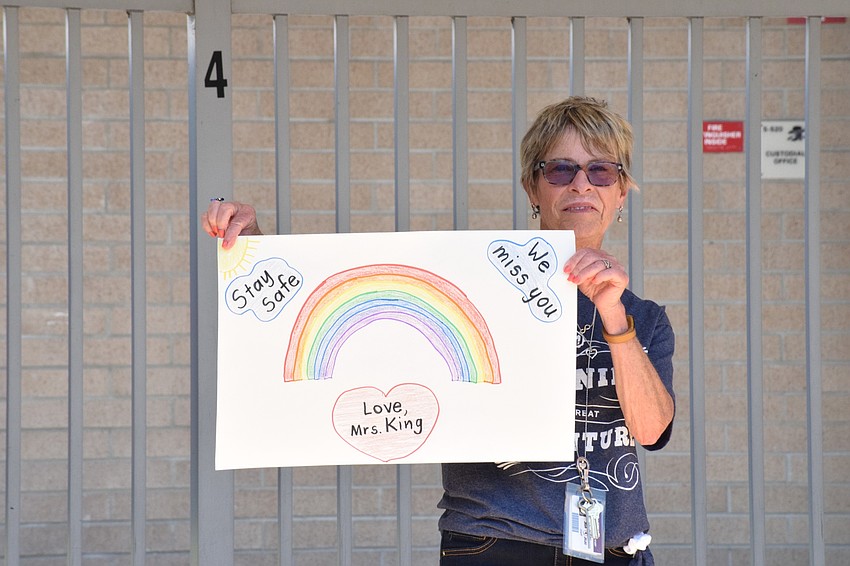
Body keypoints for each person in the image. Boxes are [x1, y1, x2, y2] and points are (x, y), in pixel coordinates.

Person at [202, 96, 675, 566]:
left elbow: (651, 430)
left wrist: (613, 316)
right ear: (533, 188)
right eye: (560, 170)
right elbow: (351, 321)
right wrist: (252, 251)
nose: (581, 184)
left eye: (601, 171)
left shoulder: (645, 318)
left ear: (621, 192)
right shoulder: (473, 284)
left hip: (614, 549)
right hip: (496, 543)